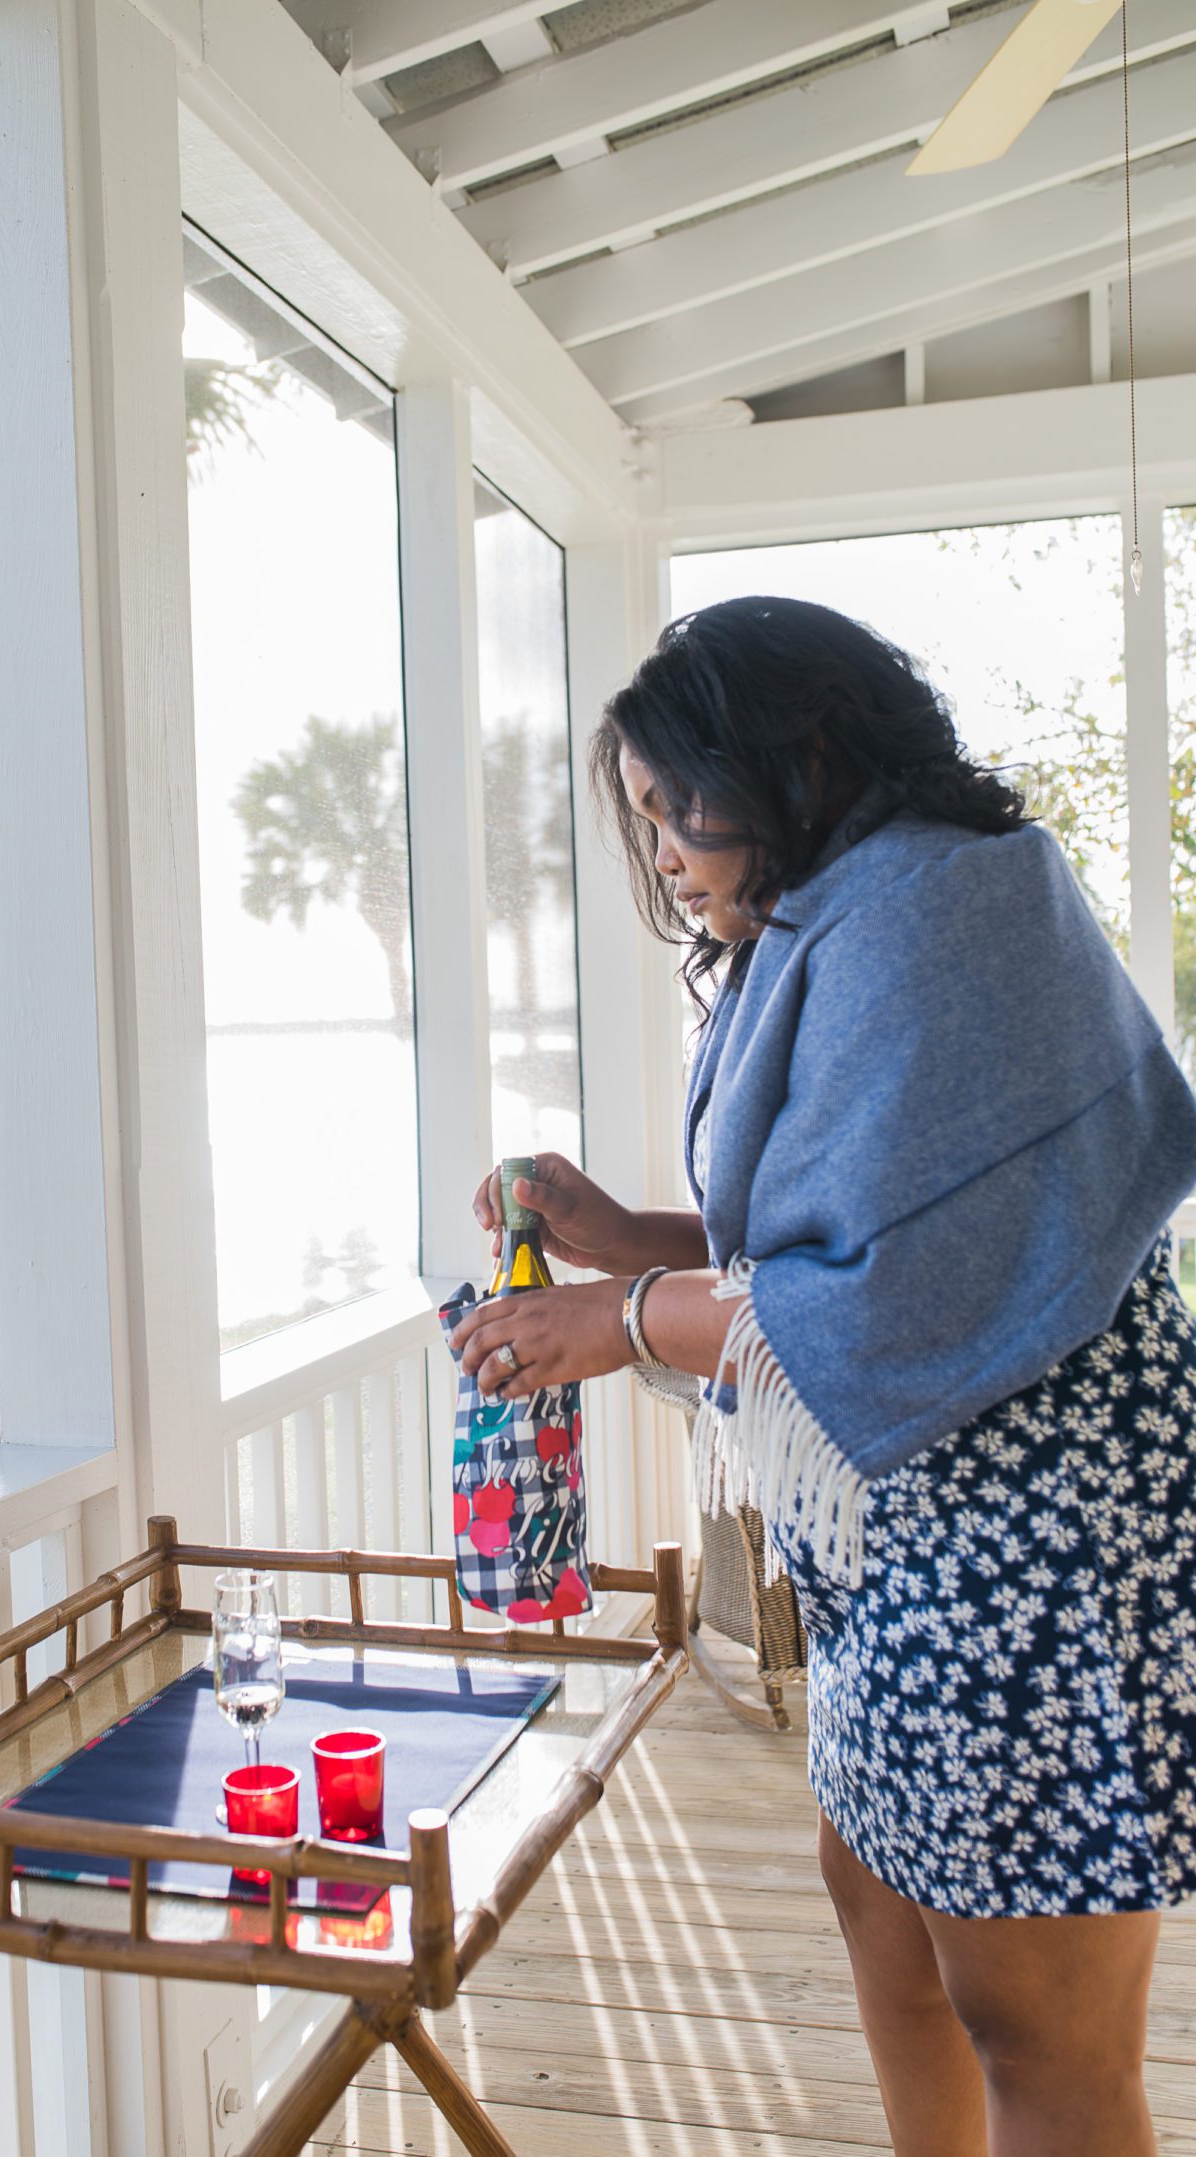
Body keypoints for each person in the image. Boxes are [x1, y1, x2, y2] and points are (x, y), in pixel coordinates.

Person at [450, 595, 1196, 2157]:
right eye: (642, 820)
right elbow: (844, 1230)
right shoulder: (829, 920)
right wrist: (619, 1235)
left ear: (795, 751)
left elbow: (904, 1286)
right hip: (906, 1535)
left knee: (1034, 2021)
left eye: (679, 806)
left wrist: (627, 1319)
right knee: (883, 1920)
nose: (662, 854)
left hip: (1040, 1538)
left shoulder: (949, 908)